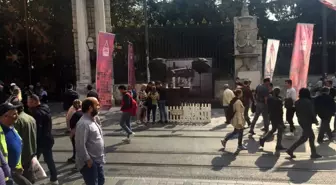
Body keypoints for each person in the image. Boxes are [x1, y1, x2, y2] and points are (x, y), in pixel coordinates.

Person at [27, 95, 58, 184]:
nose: (27, 104)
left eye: (29, 102)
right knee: (49, 160)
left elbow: (37, 130)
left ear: (34, 102)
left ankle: (30, 180)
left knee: (31, 161)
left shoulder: (36, 113)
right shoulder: (45, 107)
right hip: (48, 139)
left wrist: (33, 142)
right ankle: (54, 178)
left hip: (40, 141)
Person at [0, 102, 32, 185]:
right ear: (5, 116)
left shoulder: (12, 127)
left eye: (17, 113)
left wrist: (18, 166)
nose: (17, 116)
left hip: (14, 171)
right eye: (14, 114)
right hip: (5, 174)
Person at [75, 97, 105, 185]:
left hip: (98, 160)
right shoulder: (83, 123)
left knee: (101, 181)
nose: (99, 107)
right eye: (97, 105)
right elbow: (80, 144)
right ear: (90, 108)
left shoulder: (94, 120)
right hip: (90, 162)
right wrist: (88, 160)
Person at [286, 88, 322, 159]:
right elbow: (312, 112)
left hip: (301, 121)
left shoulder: (297, 102)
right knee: (306, 137)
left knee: (308, 137)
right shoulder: (308, 102)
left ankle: (312, 153)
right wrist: (315, 121)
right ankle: (291, 150)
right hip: (307, 121)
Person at [13, 101, 37, 183]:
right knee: (29, 172)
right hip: (31, 149)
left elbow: (15, 138)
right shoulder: (30, 117)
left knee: (19, 175)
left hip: (23, 152)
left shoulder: (17, 121)